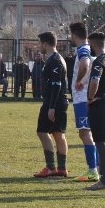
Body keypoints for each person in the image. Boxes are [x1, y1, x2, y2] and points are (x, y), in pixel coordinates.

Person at [32, 32, 69, 179]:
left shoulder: (54, 60)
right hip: (59, 102)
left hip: (53, 102)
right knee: (58, 133)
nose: (38, 46)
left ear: (46, 43)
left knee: (42, 132)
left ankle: (51, 167)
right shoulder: (54, 59)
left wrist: (51, 106)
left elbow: (56, 85)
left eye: (40, 43)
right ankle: (62, 168)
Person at [85, 31, 105, 191]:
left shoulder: (99, 61)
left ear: (93, 44)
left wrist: (90, 98)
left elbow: (94, 81)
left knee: (100, 142)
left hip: (99, 104)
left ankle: (103, 181)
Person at [69, 22, 100, 183]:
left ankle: (93, 170)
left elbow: (85, 65)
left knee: (84, 133)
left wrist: (79, 80)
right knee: (90, 133)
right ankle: (98, 168)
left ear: (74, 35)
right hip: (84, 99)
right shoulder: (87, 49)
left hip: (82, 99)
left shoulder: (83, 49)